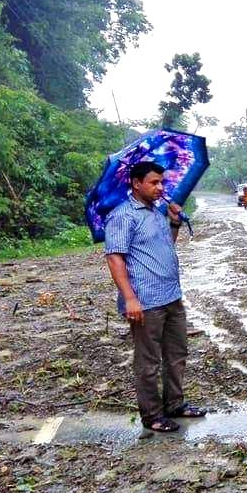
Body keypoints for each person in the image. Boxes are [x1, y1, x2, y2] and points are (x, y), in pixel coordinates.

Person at [104, 161, 206, 433]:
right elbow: (115, 258)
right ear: (136, 184)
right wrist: (130, 299)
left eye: (161, 182)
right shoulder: (123, 216)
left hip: (171, 296)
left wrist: (174, 221)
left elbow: (165, 246)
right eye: (153, 183)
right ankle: (152, 415)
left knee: (177, 353)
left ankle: (175, 404)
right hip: (145, 300)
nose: (160, 187)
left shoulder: (156, 212)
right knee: (148, 361)